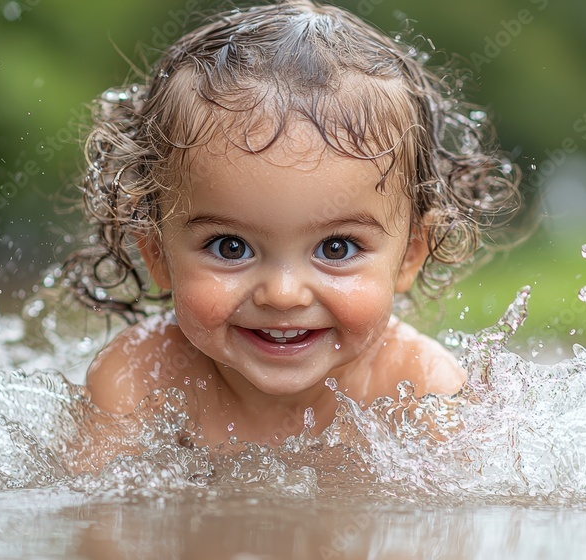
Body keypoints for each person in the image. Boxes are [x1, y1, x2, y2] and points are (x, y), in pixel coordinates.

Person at [63, 0, 520, 447]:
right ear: (157, 254)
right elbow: (101, 520)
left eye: (337, 248)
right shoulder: (137, 380)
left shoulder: (422, 391)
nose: (283, 294)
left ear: (410, 256)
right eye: (230, 247)